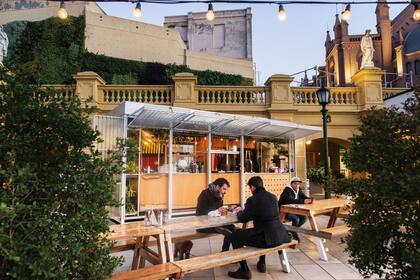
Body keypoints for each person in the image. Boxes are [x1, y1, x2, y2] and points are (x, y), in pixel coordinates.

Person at [228, 176, 290, 279]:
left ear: (252, 187)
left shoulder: (253, 199)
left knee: (234, 236)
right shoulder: (273, 197)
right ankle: (261, 263)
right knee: (261, 230)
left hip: (266, 238)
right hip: (280, 235)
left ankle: (244, 271)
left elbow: (243, 218)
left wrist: (239, 212)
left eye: (250, 188)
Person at [196, 177, 236, 252]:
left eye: (226, 189)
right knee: (229, 231)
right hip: (204, 225)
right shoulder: (204, 194)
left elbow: (218, 210)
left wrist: (227, 210)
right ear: (217, 187)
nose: (225, 192)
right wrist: (218, 211)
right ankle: (230, 253)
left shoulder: (219, 195)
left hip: (216, 223)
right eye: (224, 189)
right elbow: (201, 214)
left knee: (232, 228)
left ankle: (226, 251)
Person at [278, 176, 313, 241]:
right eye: (295, 183)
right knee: (296, 219)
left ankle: (292, 230)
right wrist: (303, 201)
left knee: (304, 217)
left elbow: (303, 196)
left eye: (298, 184)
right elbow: (291, 201)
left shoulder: (298, 189)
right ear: (291, 184)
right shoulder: (287, 190)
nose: (297, 185)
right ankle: (294, 232)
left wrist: (309, 199)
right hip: (284, 211)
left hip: (293, 210)